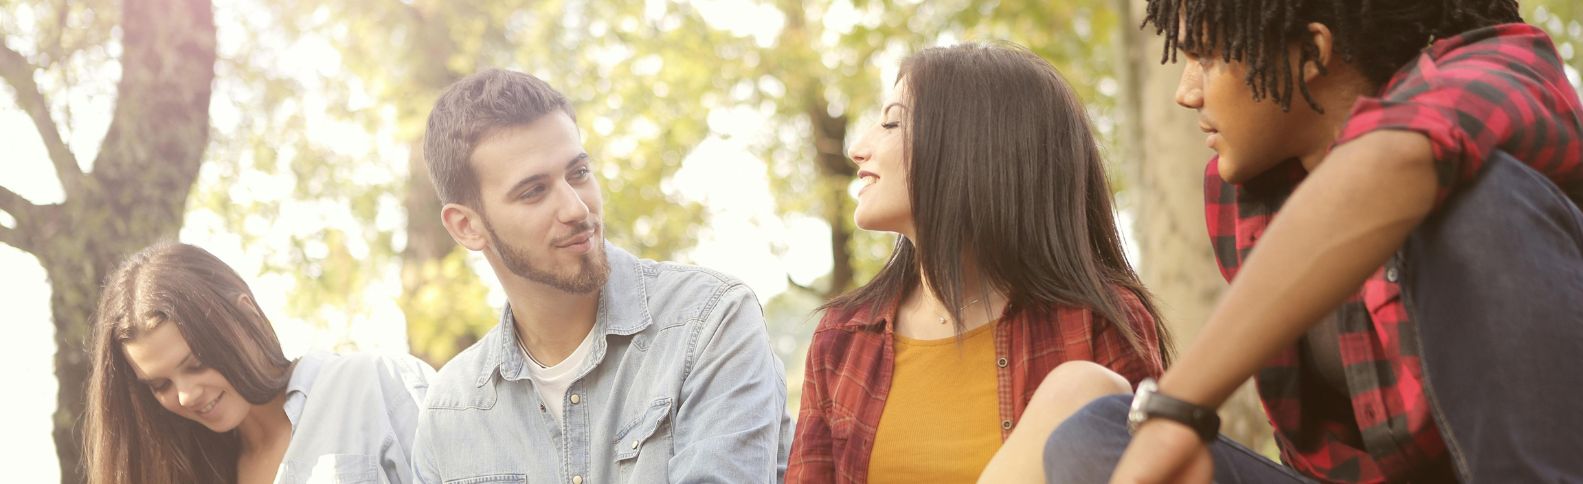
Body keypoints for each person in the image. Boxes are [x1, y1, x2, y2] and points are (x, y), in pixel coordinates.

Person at [1035, 0, 1583, 482]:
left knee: (1483, 198)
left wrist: (1180, 404)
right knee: (1098, 438)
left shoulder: (1499, 71)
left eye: (1204, 57)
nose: (1186, 92)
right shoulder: (1244, 192)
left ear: (1312, 52)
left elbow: (1398, 154)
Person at [785, 43, 1173, 484]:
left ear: (974, 146)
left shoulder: (1096, 324)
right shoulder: (844, 336)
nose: (858, 149)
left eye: (892, 122)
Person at [409, 69, 792, 484]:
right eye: (534, 191)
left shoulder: (710, 322)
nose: (576, 208)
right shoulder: (450, 410)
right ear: (467, 226)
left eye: (578, 173)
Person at [83, 242, 435, 484]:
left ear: (245, 317)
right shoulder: (188, 467)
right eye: (161, 385)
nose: (186, 395)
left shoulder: (373, 387)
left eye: (196, 362)